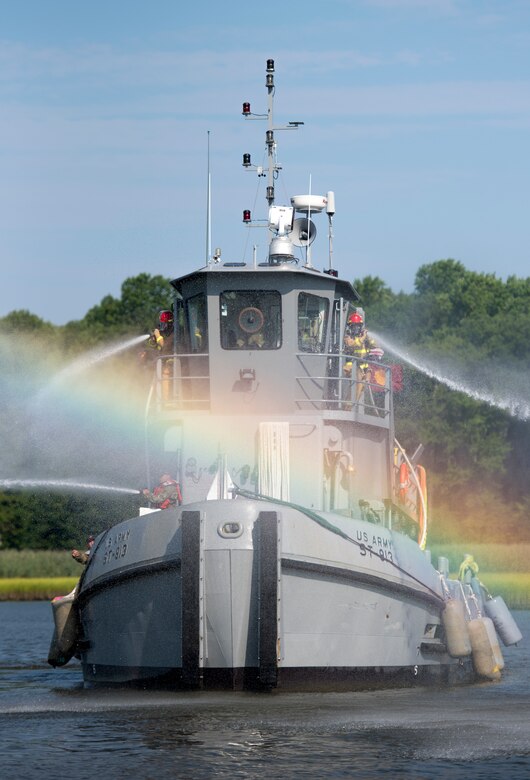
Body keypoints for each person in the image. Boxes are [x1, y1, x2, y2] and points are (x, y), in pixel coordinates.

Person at [343, 311, 383, 403]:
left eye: (358, 326)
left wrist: (368, 337)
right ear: (350, 327)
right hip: (351, 367)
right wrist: (363, 338)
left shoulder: (364, 338)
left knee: (360, 388)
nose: (356, 328)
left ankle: (348, 406)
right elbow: (352, 345)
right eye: (354, 326)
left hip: (363, 368)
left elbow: (376, 346)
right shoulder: (347, 337)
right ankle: (348, 405)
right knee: (357, 383)